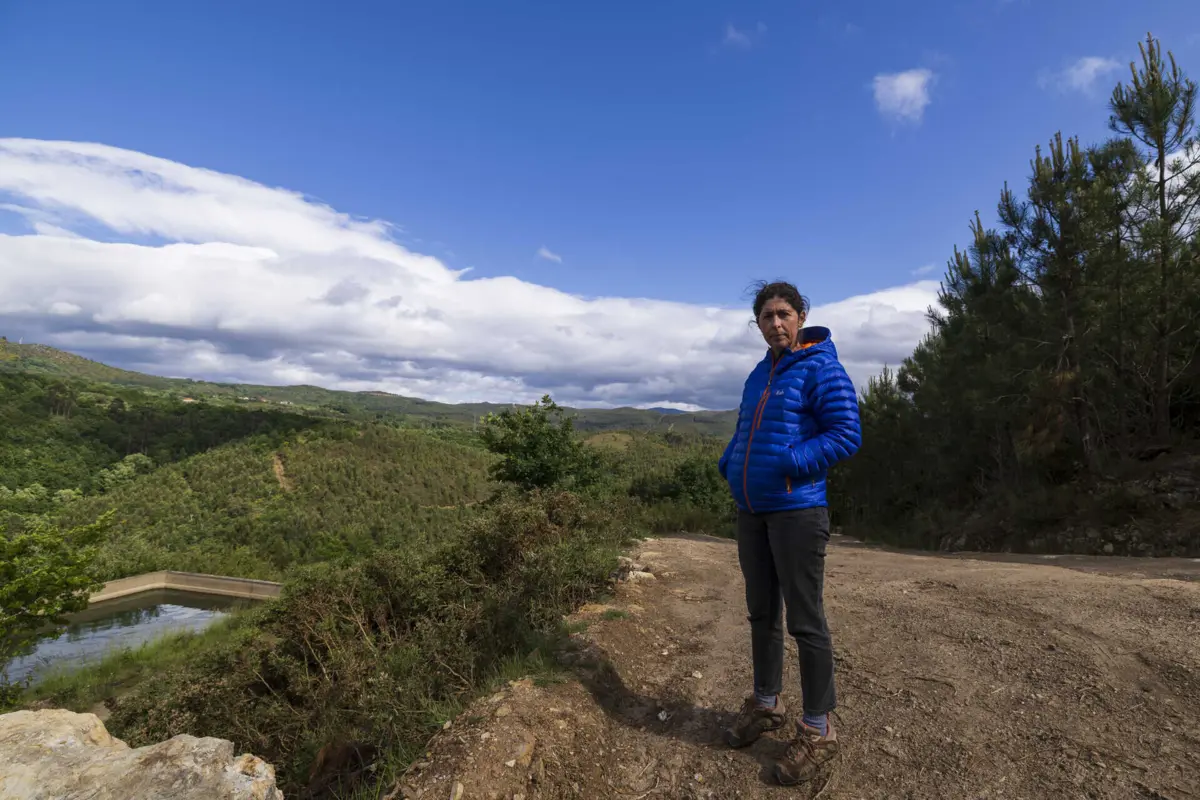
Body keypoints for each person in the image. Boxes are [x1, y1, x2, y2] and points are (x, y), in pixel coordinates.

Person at [717, 280, 861, 786]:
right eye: (766, 316)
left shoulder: (822, 366)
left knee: (806, 620)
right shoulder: (760, 373)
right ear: (757, 324)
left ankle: (819, 728)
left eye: (783, 313)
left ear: (800, 315)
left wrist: (789, 463)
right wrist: (730, 463)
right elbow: (743, 429)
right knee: (761, 612)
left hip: (798, 511)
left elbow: (846, 433)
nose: (775, 323)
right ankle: (765, 704)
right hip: (751, 511)